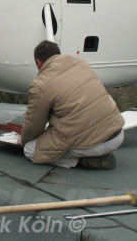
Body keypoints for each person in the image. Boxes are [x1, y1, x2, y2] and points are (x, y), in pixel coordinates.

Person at [20, 41, 125, 170]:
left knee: (30, 150)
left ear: (39, 62)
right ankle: (92, 154)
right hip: (117, 134)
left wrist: (24, 140)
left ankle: (83, 161)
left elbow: (34, 126)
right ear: (57, 54)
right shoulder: (80, 63)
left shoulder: (40, 84)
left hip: (92, 145)